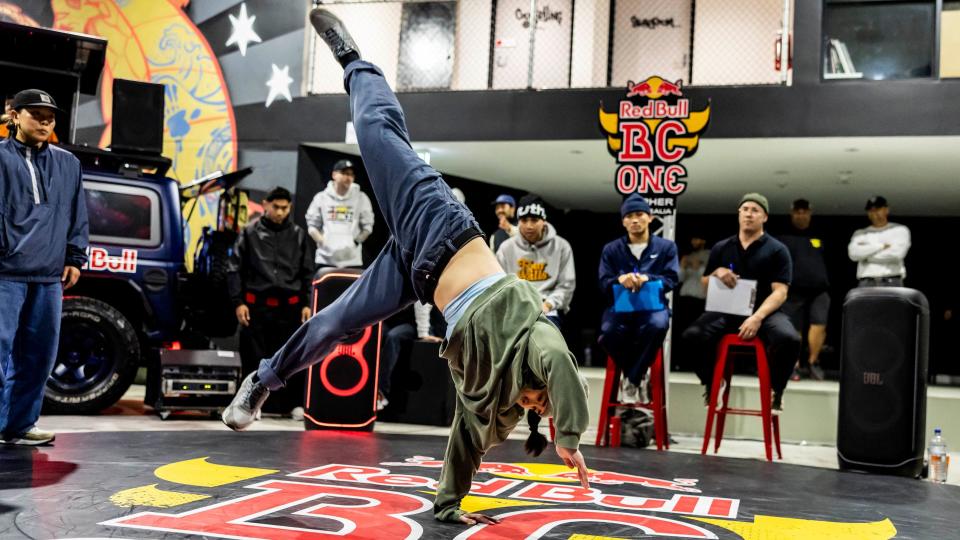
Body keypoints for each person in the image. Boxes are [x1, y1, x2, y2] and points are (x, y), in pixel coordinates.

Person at [223, 8, 590, 527]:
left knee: (334, 323)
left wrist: (447, 506)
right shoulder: (534, 339)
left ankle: (263, 381)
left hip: (413, 271)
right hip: (440, 225)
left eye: (535, 408)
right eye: (539, 400)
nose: (532, 403)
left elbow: (466, 439)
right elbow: (560, 363)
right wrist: (569, 438)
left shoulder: (491, 398)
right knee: (376, 129)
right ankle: (354, 61)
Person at [0, 89, 88, 445]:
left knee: (39, 357)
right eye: (36, 114)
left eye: (50, 115)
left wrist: (75, 257)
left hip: (48, 276)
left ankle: (18, 425)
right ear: (14, 115)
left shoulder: (69, 164)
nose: (45, 120)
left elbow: (77, 215)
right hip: (5, 273)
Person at [681, 193, 800, 411]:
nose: (749, 214)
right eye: (745, 209)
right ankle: (712, 383)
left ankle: (777, 387)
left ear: (764, 217)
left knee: (789, 338)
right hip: (727, 311)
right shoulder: (721, 247)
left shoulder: (777, 250)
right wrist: (716, 272)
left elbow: (780, 292)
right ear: (739, 214)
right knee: (692, 336)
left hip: (764, 313)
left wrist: (757, 317)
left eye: (755, 210)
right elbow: (705, 286)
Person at [227, 187, 314, 418]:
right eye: (276, 207)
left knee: (293, 357)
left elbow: (307, 272)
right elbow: (234, 269)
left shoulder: (298, 235)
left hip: (290, 307)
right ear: (265, 204)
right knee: (253, 358)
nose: (280, 212)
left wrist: (307, 303)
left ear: (290, 207)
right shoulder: (249, 233)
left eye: (285, 208)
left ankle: (293, 404)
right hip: (256, 306)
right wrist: (238, 302)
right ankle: (251, 406)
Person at [597, 194, 678, 401]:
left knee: (658, 326)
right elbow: (604, 282)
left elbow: (672, 279)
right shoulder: (611, 249)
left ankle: (631, 379)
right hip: (621, 308)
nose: (635, 220)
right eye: (629, 216)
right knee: (607, 334)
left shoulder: (666, 247)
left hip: (653, 307)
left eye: (639, 214)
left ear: (650, 217)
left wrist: (647, 278)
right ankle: (638, 376)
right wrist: (620, 279)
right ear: (623, 221)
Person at [495, 195, 576, 328]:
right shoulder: (506, 248)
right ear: (518, 221)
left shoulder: (561, 246)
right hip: (515, 309)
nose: (529, 226)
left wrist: (548, 305)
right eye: (524, 220)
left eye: (534, 220)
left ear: (543, 221)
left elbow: (566, 286)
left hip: (548, 309)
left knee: (543, 336)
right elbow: (498, 286)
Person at [779, 199, 830, 380]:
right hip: (793, 290)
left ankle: (813, 362)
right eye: (797, 211)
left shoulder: (820, 234)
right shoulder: (782, 236)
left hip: (819, 290)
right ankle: (793, 366)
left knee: (819, 325)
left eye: (804, 211)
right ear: (792, 213)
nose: (801, 215)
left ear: (810, 213)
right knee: (794, 329)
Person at [305, 158, 374, 269]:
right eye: (345, 173)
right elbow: (312, 225)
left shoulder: (361, 198)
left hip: (352, 260)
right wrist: (323, 242)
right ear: (334, 175)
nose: (349, 177)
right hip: (325, 258)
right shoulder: (321, 197)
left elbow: (368, 226)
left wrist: (355, 242)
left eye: (351, 174)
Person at [377, 301, 444, 411]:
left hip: (414, 322)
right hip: (392, 319)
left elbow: (422, 303)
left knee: (393, 337)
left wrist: (424, 333)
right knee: (374, 334)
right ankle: (368, 390)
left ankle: (381, 391)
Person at [848, 196, 910, 287]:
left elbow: (897, 254)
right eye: (870, 210)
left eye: (877, 209)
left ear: (886, 210)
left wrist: (866, 256)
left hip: (892, 281)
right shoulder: (860, 233)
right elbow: (853, 254)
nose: (874, 213)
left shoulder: (899, 230)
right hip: (866, 282)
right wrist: (881, 246)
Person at [674, 236, 709, 370]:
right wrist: (683, 266)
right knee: (680, 332)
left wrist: (697, 267)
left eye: (698, 239)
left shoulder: (709, 255)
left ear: (704, 240)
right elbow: (679, 278)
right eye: (693, 239)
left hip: (700, 300)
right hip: (685, 298)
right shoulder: (688, 256)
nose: (694, 242)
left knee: (696, 333)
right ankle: (679, 362)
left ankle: (695, 364)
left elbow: (707, 277)